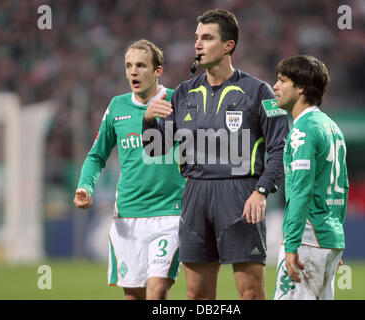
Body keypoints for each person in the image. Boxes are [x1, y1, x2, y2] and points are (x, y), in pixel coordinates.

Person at [142, 9, 289, 300]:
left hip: (240, 193)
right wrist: (147, 121)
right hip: (195, 193)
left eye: (206, 38)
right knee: (196, 295)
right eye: (196, 37)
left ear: (228, 46)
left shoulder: (258, 92)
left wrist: (261, 191)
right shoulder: (183, 93)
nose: (197, 44)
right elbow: (155, 148)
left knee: (250, 293)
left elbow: (280, 148)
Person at [73, 39, 185, 300]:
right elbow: (97, 155)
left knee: (157, 291)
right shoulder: (117, 107)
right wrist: (85, 186)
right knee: (134, 296)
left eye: (141, 65)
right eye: (129, 66)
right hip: (127, 216)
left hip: (169, 214)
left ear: (157, 71)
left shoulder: (178, 101)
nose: (133, 71)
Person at [272, 55, 349, 300]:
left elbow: (300, 191)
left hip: (307, 237)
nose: (275, 86)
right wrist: (336, 237)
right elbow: (344, 188)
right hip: (329, 238)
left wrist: (291, 244)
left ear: (301, 87)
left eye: (282, 80)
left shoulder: (303, 130)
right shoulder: (332, 127)